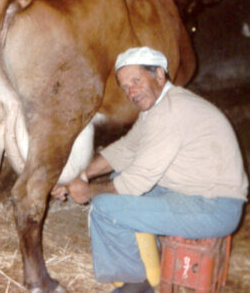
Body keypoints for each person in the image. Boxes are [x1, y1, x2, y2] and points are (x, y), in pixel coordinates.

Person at [66, 47, 248, 293]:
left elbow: (136, 183)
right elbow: (126, 149)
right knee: (116, 179)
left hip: (214, 207)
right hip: (196, 193)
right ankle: (151, 265)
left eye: (136, 80)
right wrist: (81, 175)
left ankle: (137, 284)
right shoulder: (159, 108)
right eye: (125, 86)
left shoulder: (170, 112)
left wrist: (88, 192)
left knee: (106, 207)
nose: (131, 91)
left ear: (160, 75)